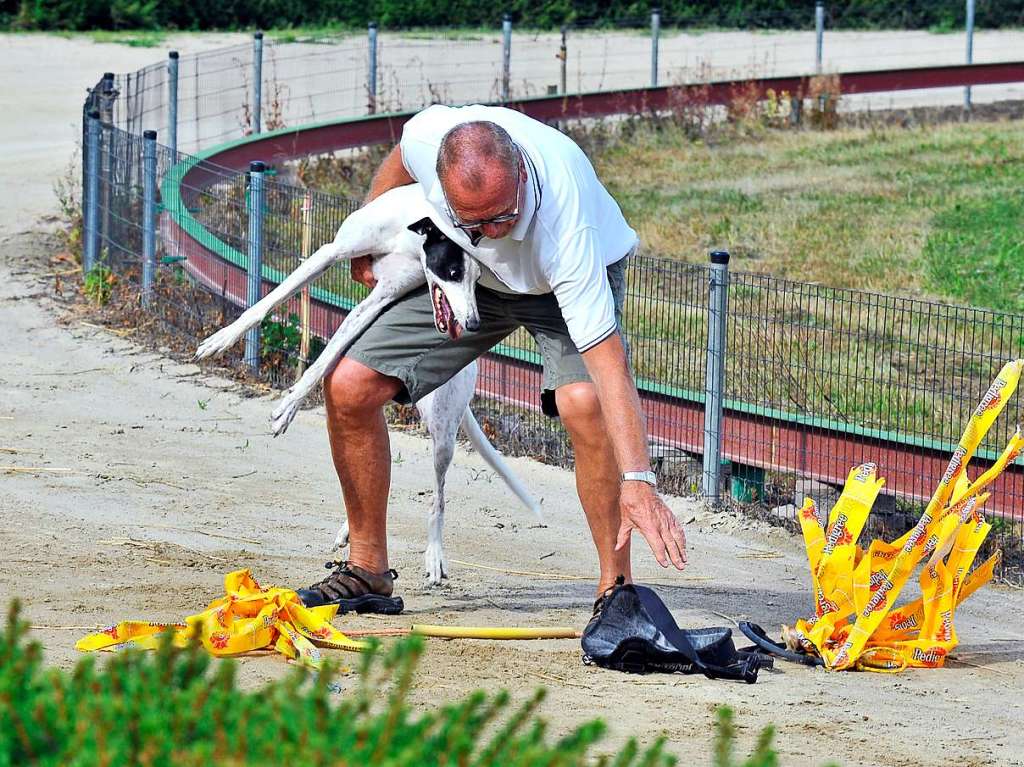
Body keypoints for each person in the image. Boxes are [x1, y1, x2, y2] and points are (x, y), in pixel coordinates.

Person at [297, 104, 687, 613]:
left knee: (584, 402)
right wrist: (369, 232)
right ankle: (367, 569)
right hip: (471, 275)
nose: (495, 230)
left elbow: (609, 367)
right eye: (475, 221)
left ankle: (616, 593)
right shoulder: (429, 140)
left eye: (504, 215)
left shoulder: (566, 228)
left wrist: (639, 480)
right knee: (348, 385)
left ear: (522, 175)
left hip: (553, 282)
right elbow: (401, 159)